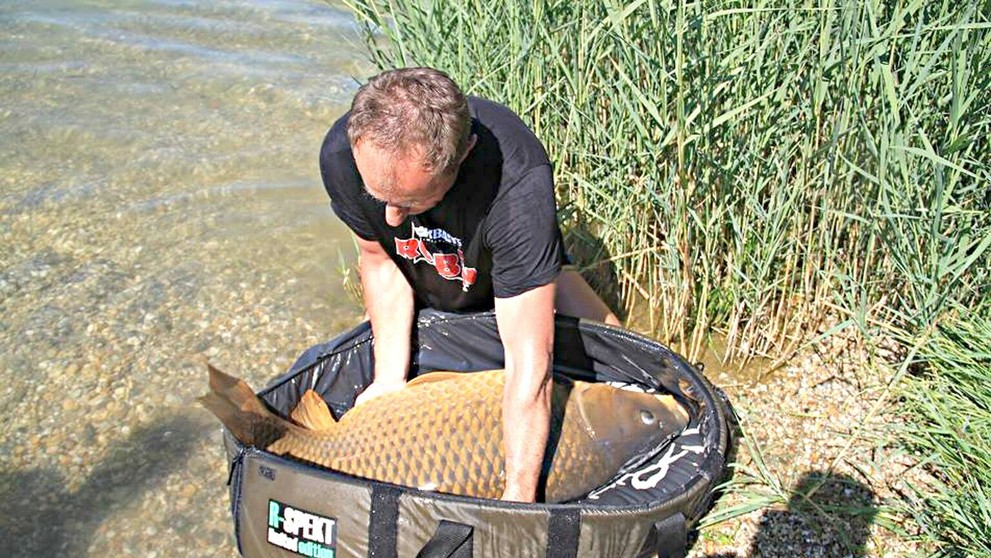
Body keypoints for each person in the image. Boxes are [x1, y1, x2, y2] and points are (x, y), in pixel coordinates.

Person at [319, 67, 620, 503]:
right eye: (378, 197)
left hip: (509, 280)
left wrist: (518, 495)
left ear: (464, 155)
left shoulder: (516, 183)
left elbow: (530, 365)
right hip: (421, 267)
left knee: (613, 346)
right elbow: (380, 260)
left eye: (410, 202)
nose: (390, 219)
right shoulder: (342, 154)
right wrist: (387, 381)